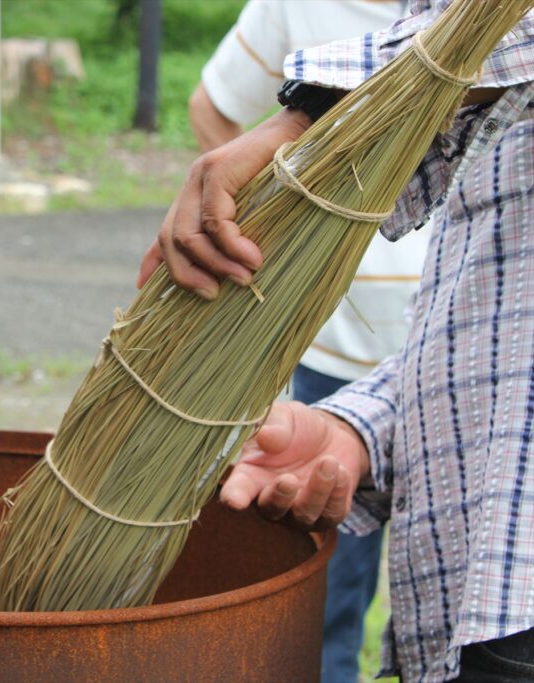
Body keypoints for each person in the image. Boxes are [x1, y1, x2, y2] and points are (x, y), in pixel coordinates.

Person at [141, 2, 534, 680]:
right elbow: (505, 321)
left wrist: (308, 120)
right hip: (473, 580)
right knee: (328, 601)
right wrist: (362, 429)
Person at [188, 2, 423, 681]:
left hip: (453, 364)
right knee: (326, 607)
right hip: (330, 367)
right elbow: (216, 107)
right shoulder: (295, 3)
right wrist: (279, 238)